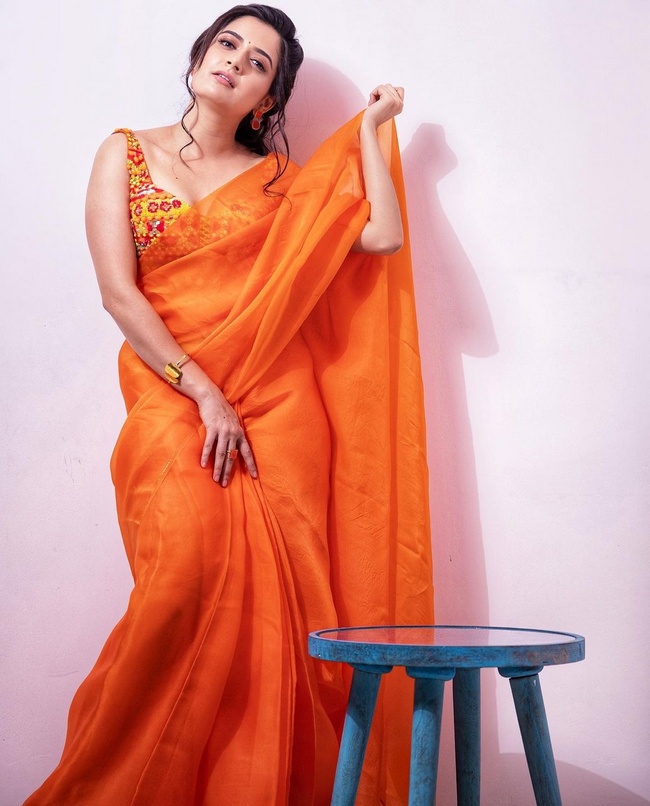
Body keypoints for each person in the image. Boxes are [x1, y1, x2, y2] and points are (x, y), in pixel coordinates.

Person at [25, 4, 434, 804]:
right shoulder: (125, 153)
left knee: (286, 609)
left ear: (266, 100)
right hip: (173, 391)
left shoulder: (280, 185)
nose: (235, 62)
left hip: (278, 406)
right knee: (179, 580)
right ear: (199, 56)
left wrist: (370, 131)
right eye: (228, 44)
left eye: (257, 64)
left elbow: (382, 237)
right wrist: (206, 394)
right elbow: (119, 294)